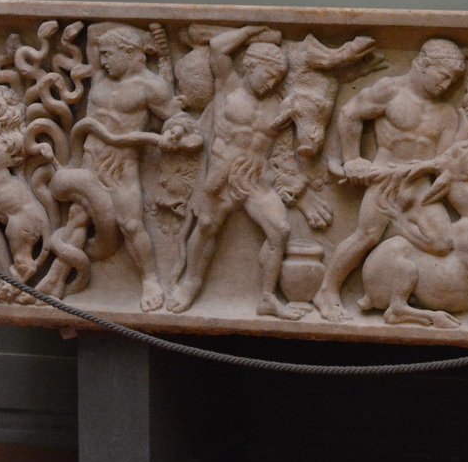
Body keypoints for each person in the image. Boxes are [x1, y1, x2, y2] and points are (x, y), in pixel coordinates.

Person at [310, 38, 468, 321]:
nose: (447, 84)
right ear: (424, 64)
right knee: (366, 236)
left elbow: (445, 159)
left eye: (453, 80)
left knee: (443, 242)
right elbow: (350, 113)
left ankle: (398, 246)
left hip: (420, 187)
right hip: (385, 181)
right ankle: (326, 292)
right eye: (444, 75)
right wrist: (352, 159)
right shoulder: (391, 90)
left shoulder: (447, 113)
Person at [38, 23, 191, 313]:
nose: (103, 60)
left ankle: (149, 280)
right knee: (77, 218)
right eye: (102, 54)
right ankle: (55, 279)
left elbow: (178, 118)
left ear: (129, 52)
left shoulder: (151, 86)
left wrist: (175, 132)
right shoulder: (100, 76)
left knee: (131, 225)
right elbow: (94, 29)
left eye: (109, 54)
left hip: (122, 166)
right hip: (90, 160)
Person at [168, 26, 306, 320]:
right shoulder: (228, 86)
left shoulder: (276, 103)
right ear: (251, 66)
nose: (271, 83)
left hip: (256, 177)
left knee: (280, 230)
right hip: (223, 172)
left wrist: (287, 119)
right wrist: (253, 29)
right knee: (206, 226)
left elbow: (273, 142)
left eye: (278, 79)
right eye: (268, 75)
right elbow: (218, 46)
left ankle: (267, 298)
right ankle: (191, 284)